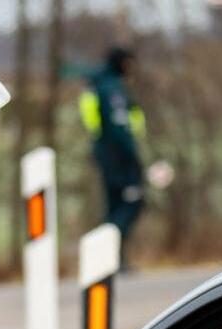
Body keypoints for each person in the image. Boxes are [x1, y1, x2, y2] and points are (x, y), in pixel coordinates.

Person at [79, 47, 147, 270]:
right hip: (119, 156)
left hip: (107, 153)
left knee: (115, 204)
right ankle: (107, 253)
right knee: (132, 201)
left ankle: (112, 258)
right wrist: (132, 156)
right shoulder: (112, 89)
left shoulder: (100, 85)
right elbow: (119, 127)